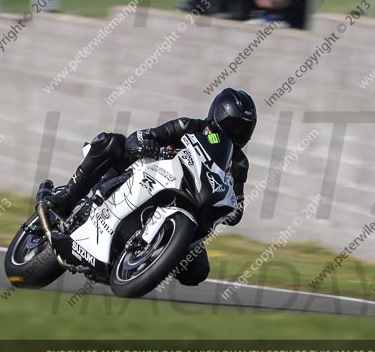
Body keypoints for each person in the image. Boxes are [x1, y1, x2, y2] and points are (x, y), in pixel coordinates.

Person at [46, 88, 257, 286]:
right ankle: (68, 197)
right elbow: (142, 137)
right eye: (232, 125)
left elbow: (237, 200)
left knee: (198, 271)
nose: (236, 133)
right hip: (149, 174)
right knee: (111, 143)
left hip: (191, 205)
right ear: (218, 116)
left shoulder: (239, 164)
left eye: (242, 129)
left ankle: (149, 258)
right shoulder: (188, 126)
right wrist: (146, 144)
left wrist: (233, 210)